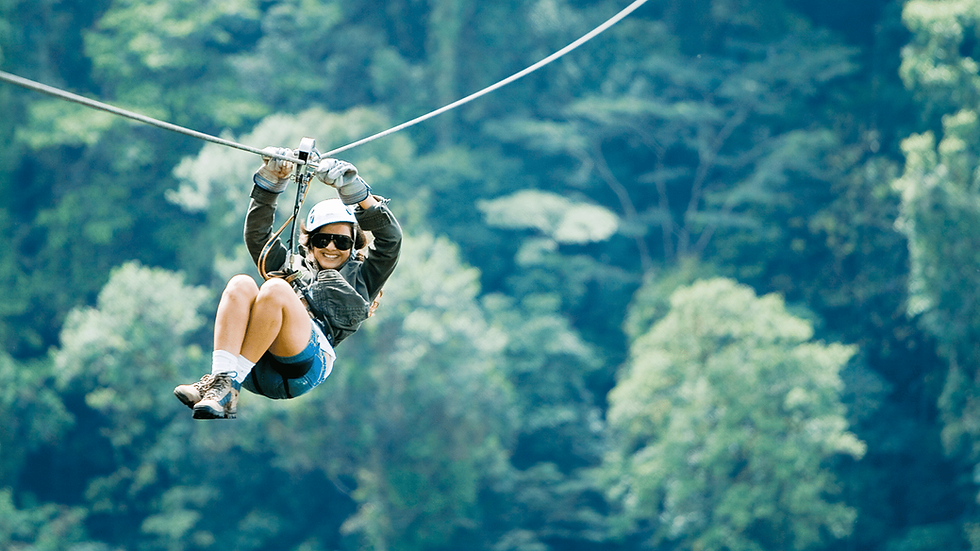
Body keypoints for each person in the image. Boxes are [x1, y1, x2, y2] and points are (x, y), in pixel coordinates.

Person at [173, 147, 402, 419]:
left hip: (303, 367)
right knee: (240, 284)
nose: (331, 247)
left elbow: (391, 241)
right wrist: (271, 182)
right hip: (255, 363)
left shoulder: (364, 277)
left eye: (341, 241)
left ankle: (227, 386)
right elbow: (258, 237)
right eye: (322, 240)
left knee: (275, 288)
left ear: (353, 245)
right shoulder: (292, 267)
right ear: (310, 243)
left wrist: (357, 192)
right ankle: (221, 380)